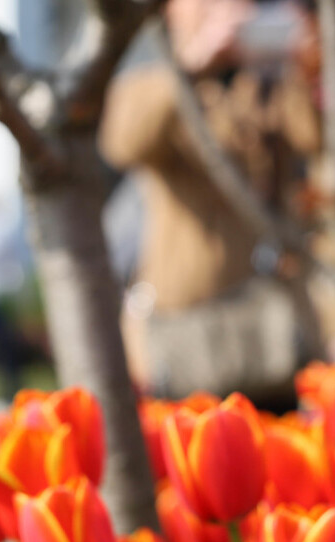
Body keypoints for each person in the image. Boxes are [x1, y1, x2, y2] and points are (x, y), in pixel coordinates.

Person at [100, 0, 323, 409]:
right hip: (190, 315)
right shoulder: (152, 75)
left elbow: (314, 137)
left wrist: (310, 62)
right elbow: (121, 142)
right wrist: (192, 63)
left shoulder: (264, 80)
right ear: (168, 11)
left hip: (271, 318)